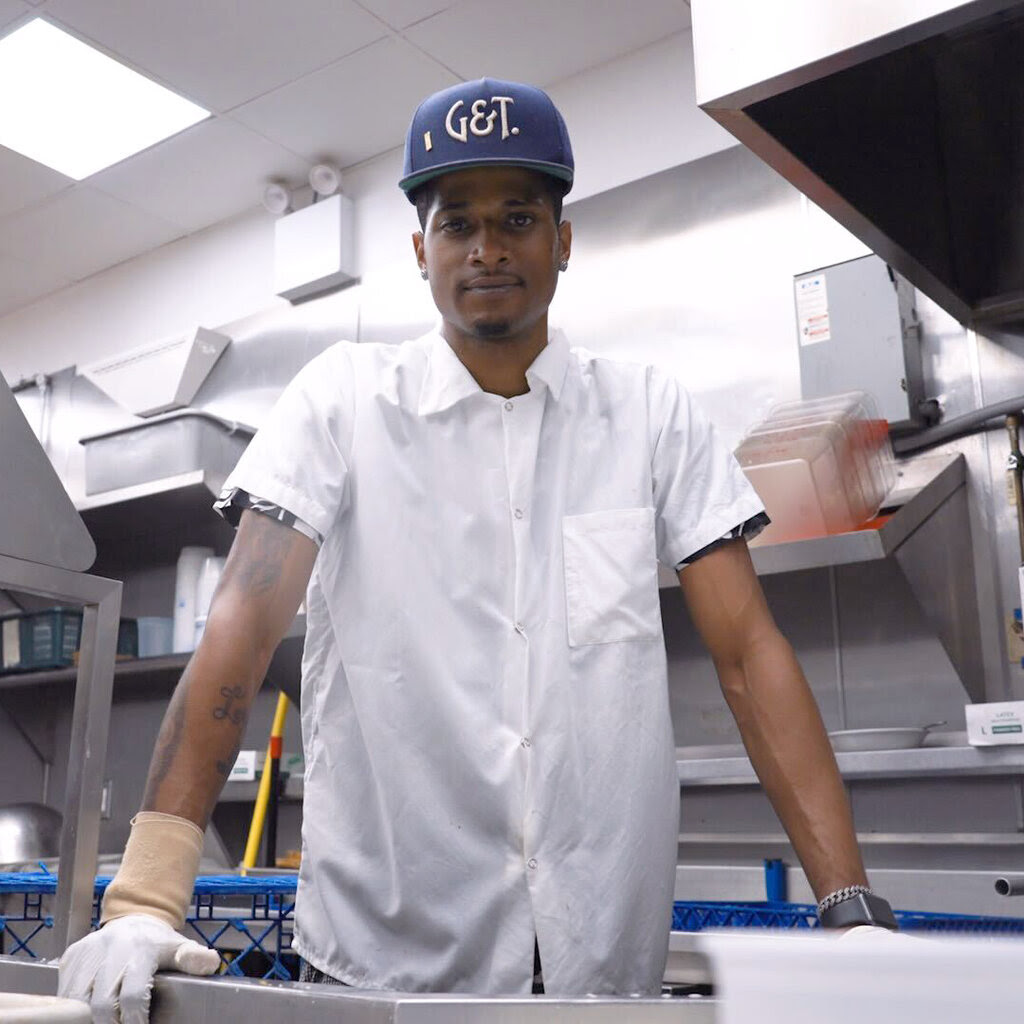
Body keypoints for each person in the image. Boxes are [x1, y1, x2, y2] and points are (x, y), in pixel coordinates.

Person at [59, 77, 895, 1022]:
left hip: (600, 959)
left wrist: (848, 905)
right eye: (458, 223)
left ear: (564, 239)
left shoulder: (649, 414)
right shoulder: (342, 402)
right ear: (421, 250)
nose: (488, 249)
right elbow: (241, 634)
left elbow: (749, 656)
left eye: (519, 217)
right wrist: (147, 894)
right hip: (383, 964)